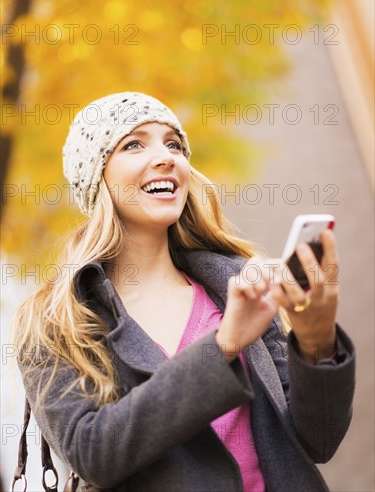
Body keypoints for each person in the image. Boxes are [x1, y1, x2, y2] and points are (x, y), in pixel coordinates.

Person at [15, 92, 355, 492]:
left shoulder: (236, 287)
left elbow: (318, 440)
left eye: (173, 144)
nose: (166, 157)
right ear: (97, 176)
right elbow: (93, 454)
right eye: (134, 144)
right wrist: (223, 345)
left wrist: (315, 339)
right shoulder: (60, 320)